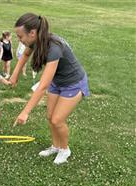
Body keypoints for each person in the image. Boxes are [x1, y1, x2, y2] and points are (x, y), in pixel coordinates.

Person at [10, 13, 90, 164]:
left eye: (20, 36)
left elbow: (42, 86)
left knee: (57, 120)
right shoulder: (35, 40)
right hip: (57, 81)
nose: (19, 39)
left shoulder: (53, 47)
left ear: (32, 33)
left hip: (73, 83)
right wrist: (14, 75)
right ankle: (56, 146)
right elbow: (26, 54)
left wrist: (25, 112)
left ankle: (65, 150)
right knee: (50, 116)